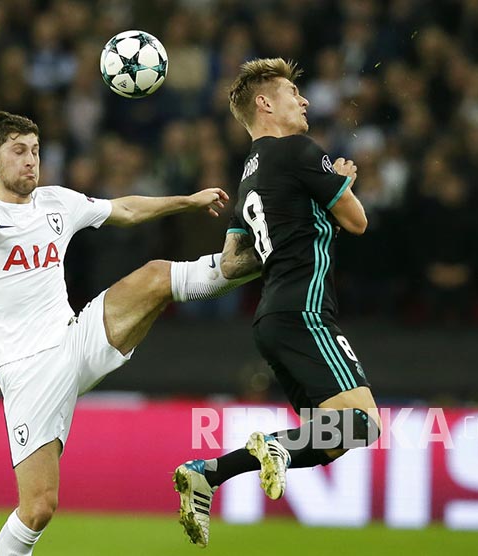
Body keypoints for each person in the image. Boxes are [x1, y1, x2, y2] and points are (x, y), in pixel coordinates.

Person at [0, 111, 256, 556]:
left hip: (74, 339)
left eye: (35, 150)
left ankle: (254, 259)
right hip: (27, 369)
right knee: (39, 508)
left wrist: (186, 200)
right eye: (18, 151)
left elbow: (124, 209)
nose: (32, 160)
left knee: (154, 277)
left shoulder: (55, 202)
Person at [172, 58, 382, 547]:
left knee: (328, 441)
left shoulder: (248, 176)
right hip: (305, 310)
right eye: (293, 92)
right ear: (265, 103)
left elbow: (230, 262)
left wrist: (288, 236)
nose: (304, 100)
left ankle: (209, 473)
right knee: (362, 423)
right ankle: (273, 450)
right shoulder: (300, 151)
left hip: (270, 317)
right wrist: (343, 181)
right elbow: (358, 222)